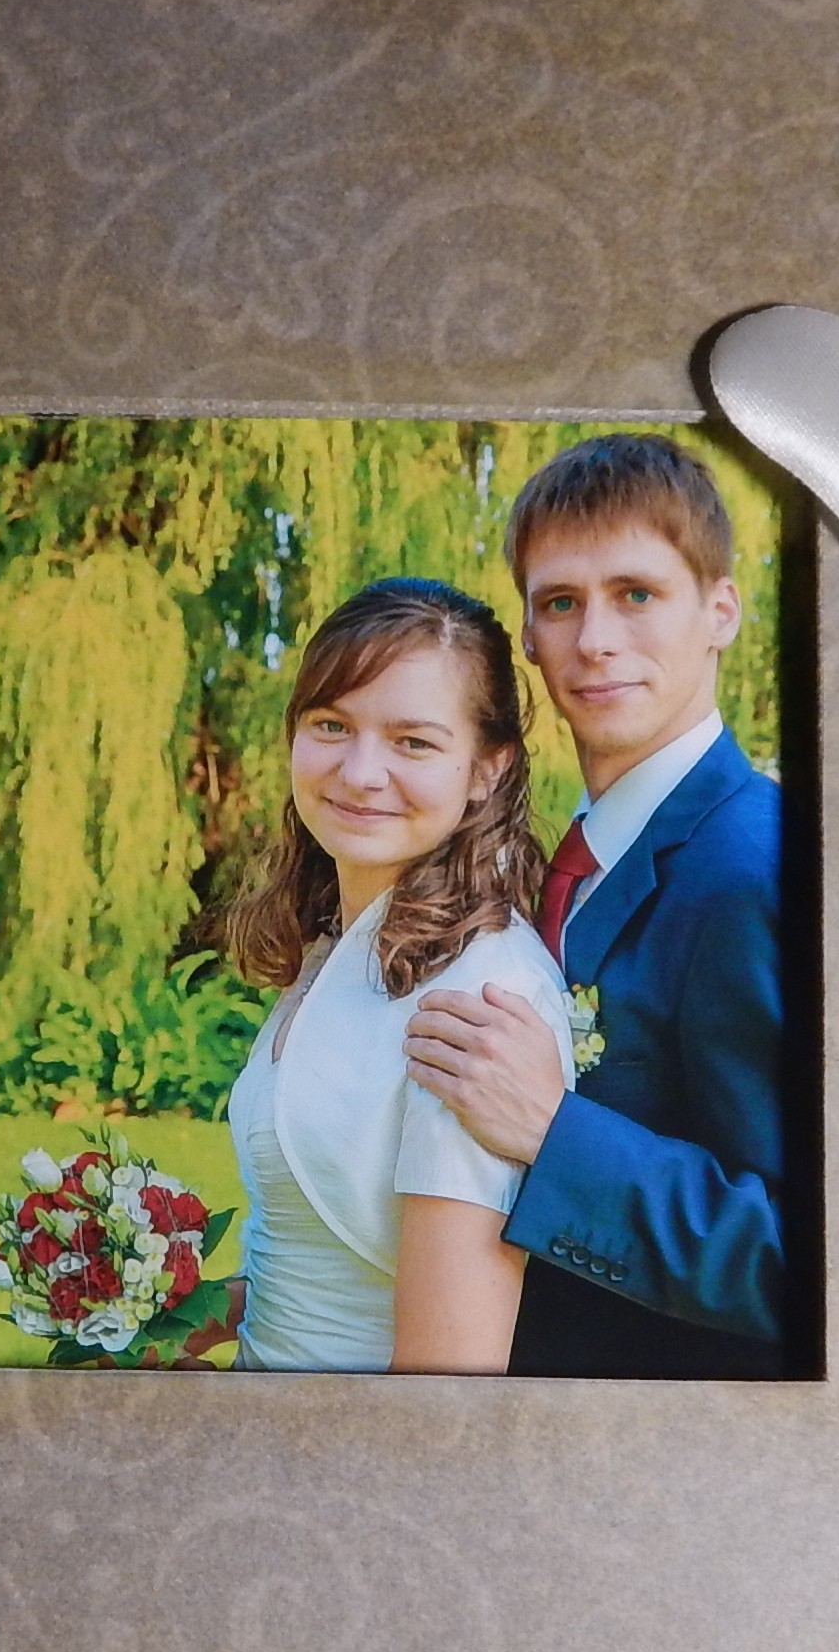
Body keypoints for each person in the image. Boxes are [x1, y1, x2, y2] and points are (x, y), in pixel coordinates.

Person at [403, 433, 796, 1378]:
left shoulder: (755, 870)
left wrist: (555, 1132)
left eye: (637, 594)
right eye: (561, 603)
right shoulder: (558, 862)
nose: (595, 641)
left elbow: (804, 1258)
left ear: (721, 611)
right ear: (528, 636)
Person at [214, 579, 573, 1373]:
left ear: (486, 769)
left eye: (412, 743)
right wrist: (181, 1313)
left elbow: (447, 1375)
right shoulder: (340, 945)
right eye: (331, 725)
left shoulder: (476, 1000)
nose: (360, 772)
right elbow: (336, 1257)